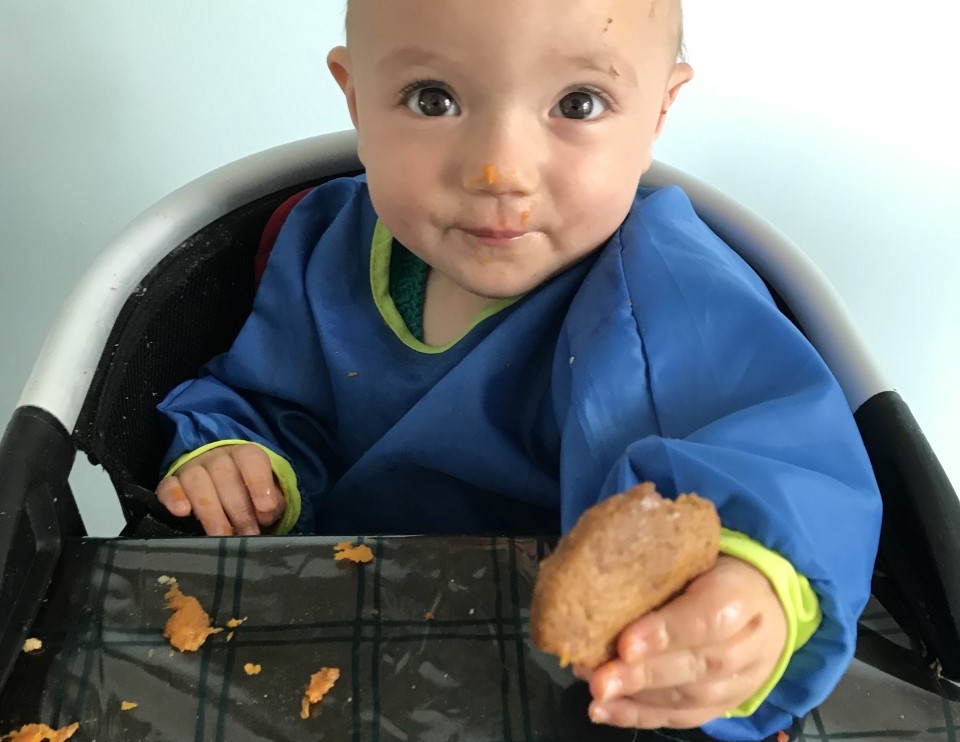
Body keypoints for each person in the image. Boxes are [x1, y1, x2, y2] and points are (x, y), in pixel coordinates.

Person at [154, 1, 882, 738]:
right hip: (333, 645)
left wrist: (755, 592)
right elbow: (268, 400)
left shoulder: (671, 290)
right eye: (432, 99)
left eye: (579, 103)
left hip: (562, 691)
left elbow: (780, 463)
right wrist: (238, 456)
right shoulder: (321, 245)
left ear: (658, 112)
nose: (499, 168)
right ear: (355, 97)